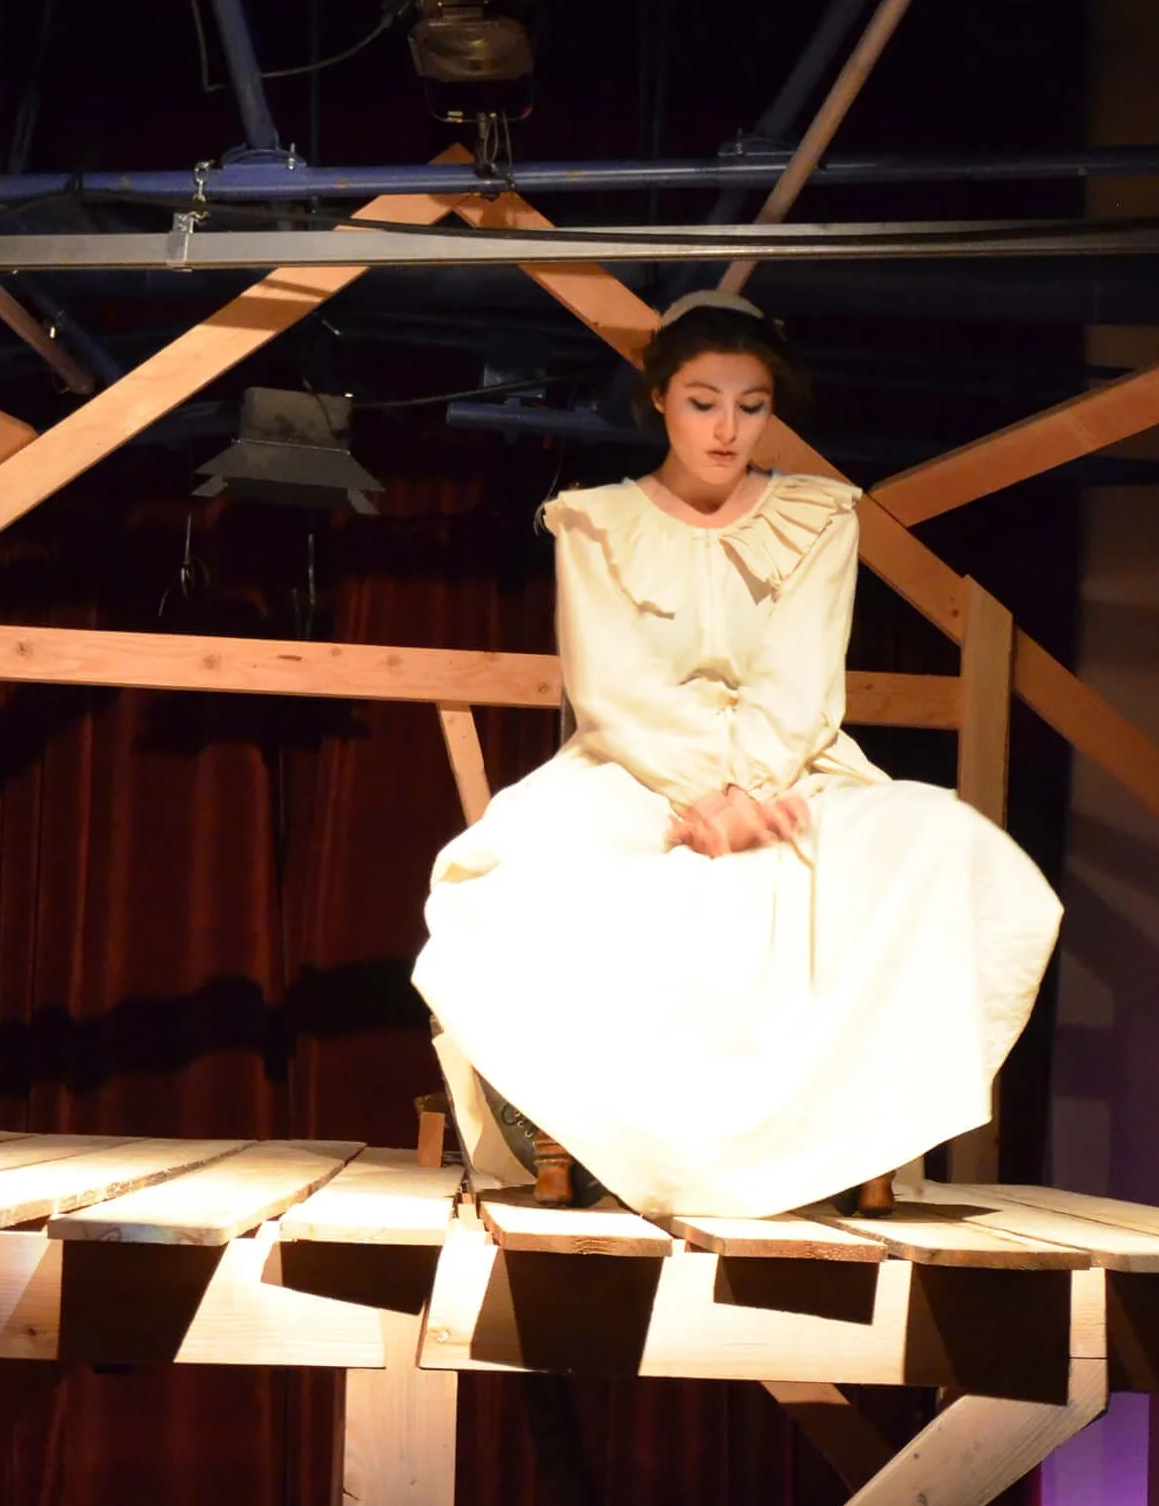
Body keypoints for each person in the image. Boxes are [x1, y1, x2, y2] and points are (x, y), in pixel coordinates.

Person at [412, 291, 1062, 1219]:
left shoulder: (818, 517)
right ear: (660, 401)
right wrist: (697, 800)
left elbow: (803, 680)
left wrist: (749, 794)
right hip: (631, 773)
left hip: (793, 769)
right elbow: (613, 687)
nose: (725, 429)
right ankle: (602, 1145)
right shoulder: (596, 523)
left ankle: (855, 1140)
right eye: (702, 401)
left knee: (935, 840)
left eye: (750, 406)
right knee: (520, 871)